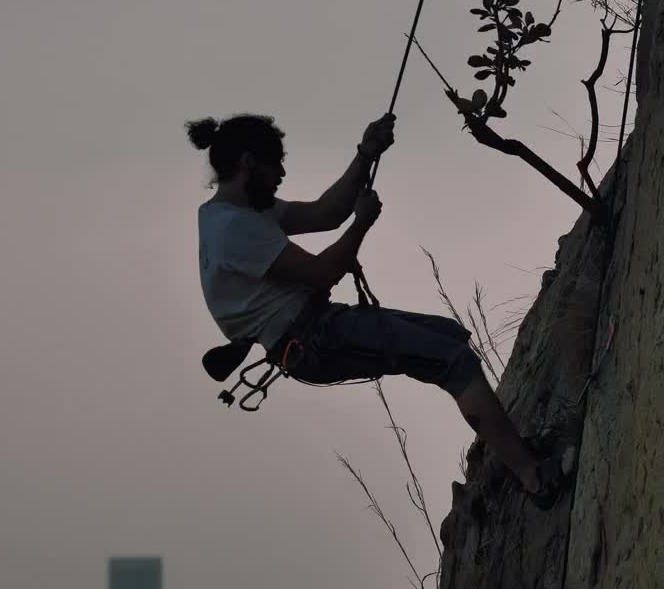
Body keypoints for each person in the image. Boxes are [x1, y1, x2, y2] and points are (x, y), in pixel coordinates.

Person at [187, 112, 564, 509]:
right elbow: (322, 272)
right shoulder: (233, 228)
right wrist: (361, 225)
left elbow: (325, 213)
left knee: (450, 336)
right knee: (452, 360)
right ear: (248, 162)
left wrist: (366, 153)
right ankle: (532, 476)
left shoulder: (242, 213)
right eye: (275, 163)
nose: (281, 172)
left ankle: (510, 448)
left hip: (317, 331)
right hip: (313, 340)